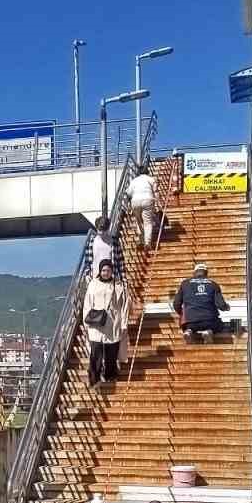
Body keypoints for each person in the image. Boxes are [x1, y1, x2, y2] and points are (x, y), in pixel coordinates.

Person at [82, 259, 129, 388]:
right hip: (96, 323)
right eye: (103, 270)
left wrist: (124, 323)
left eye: (108, 270)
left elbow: (124, 306)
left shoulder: (118, 285)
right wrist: (86, 321)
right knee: (95, 352)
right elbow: (87, 303)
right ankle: (94, 378)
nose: (106, 273)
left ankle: (110, 375)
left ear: (112, 271)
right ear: (100, 271)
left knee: (111, 352)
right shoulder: (93, 285)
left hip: (113, 323)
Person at [173, 261, 230, 343]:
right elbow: (220, 305)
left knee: (189, 326)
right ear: (206, 273)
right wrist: (226, 307)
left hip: (190, 321)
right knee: (219, 325)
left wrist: (181, 313)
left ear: (194, 273)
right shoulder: (213, 284)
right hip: (209, 321)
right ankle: (208, 332)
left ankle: (189, 331)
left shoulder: (185, 284)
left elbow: (176, 304)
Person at [127, 164, 158, 248]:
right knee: (147, 222)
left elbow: (129, 193)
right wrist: (157, 204)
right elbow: (156, 192)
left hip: (135, 201)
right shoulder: (151, 179)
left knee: (139, 221)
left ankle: (141, 240)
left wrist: (129, 207)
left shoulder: (134, 180)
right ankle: (147, 243)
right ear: (147, 172)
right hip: (148, 200)